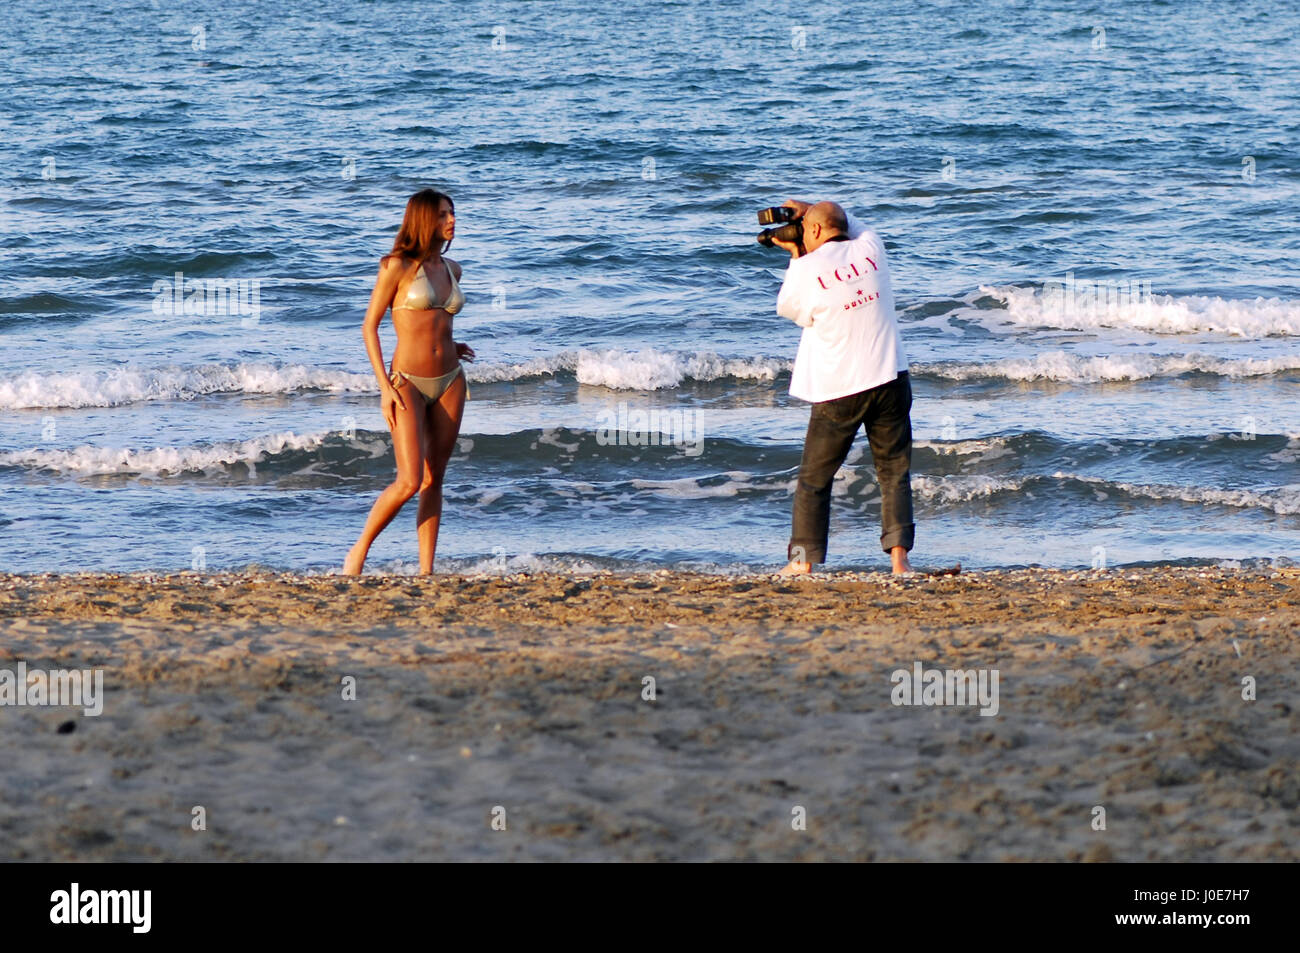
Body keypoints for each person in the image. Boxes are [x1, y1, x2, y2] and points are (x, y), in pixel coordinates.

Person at [771, 198, 914, 575]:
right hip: (890, 377)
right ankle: (900, 562)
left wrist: (797, 257)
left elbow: (789, 309)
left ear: (815, 231)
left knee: (815, 479)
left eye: (805, 228)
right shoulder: (872, 247)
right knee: (894, 471)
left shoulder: (806, 267)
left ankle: (802, 564)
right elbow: (854, 222)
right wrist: (812, 209)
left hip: (841, 388)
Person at [343, 188, 475, 575]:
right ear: (422, 220)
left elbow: (437, 320)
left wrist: (452, 343)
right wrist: (384, 387)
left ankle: (426, 570)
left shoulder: (454, 269)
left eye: (452, 213)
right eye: (442, 215)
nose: (451, 220)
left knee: (435, 479)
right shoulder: (396, 266)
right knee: (409, 479)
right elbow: (369, 327)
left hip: (450, 379)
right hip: (407, 383)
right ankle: (358, 552)